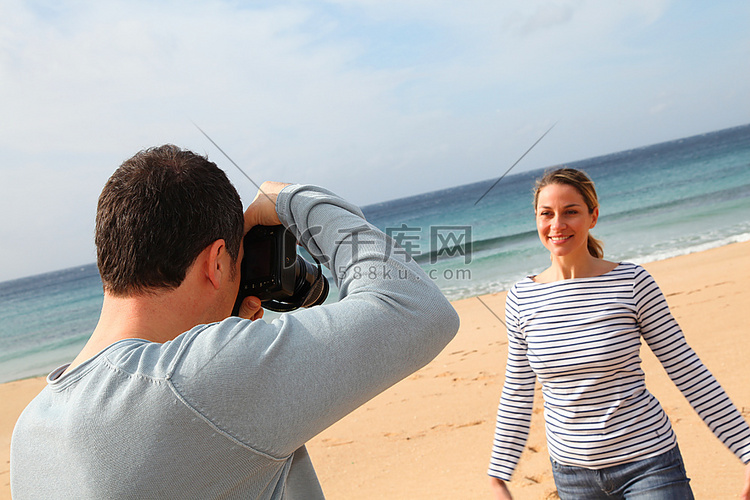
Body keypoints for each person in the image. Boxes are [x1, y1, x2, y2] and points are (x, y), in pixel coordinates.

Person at [10, 144, 460, 499]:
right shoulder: (196, 379)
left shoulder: (29, 433)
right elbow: (416, 306)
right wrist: (289, 201)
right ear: (217, 263)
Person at [487, 168, 750, 499]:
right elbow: (517, 390)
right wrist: (499, 475)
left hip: (649, 465)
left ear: (593, 216)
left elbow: (686, 369)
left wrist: (747, 448)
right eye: (547, 214)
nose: (557, 225)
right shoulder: (521, 298)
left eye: (571, 212)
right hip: (572, 477)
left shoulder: (632, 283)